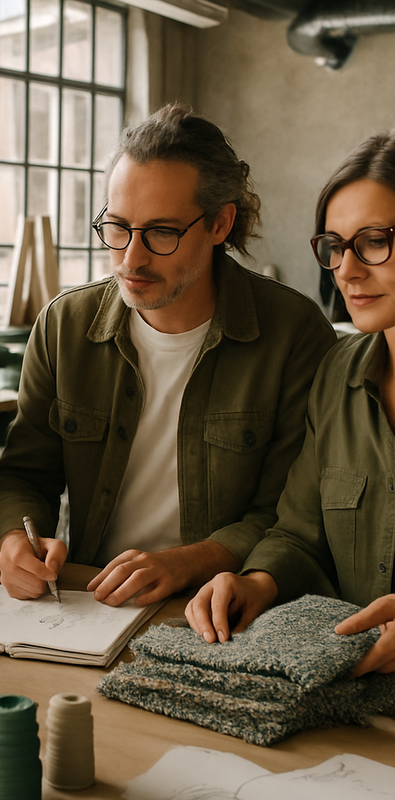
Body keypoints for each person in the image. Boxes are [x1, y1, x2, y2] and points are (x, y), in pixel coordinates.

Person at [0, 103, 337, 608]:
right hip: (87, 601)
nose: (132, 258)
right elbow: (22, 476)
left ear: (220, 225)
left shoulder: (295, 335)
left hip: (225, 607)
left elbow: (292, 513)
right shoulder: (64, 326)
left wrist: (185, 562)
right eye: (117, 227)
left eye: (161, 233)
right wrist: (16, 541)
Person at [186, 131, 395, 676]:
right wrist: (257, 582)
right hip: (351, 697)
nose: (347, 269)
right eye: (335, 245)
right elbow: (300, 533)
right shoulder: (337, 375)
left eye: (374, 241)